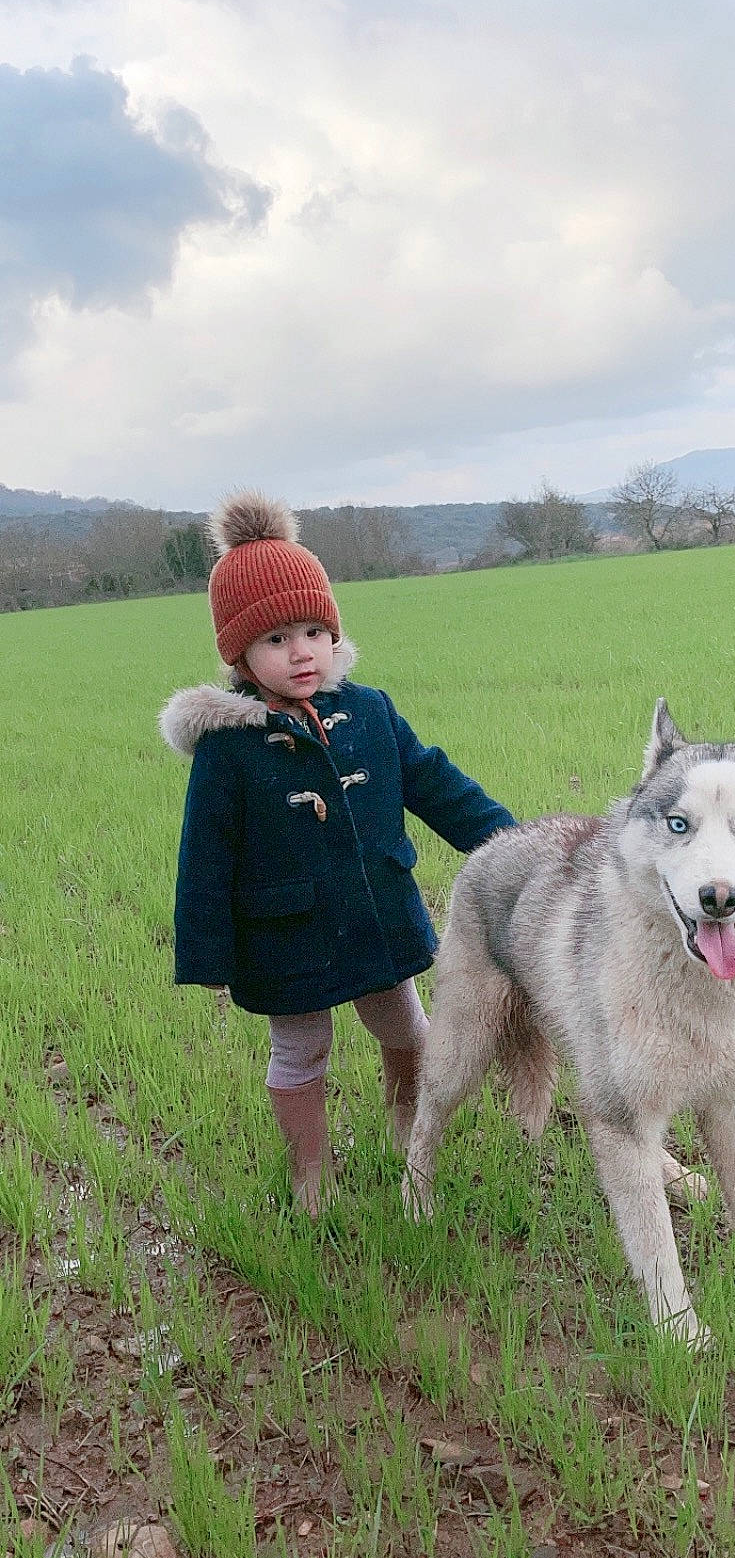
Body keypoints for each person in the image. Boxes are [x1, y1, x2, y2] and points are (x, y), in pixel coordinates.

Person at [160, 491, 514, 1215]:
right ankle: (310, 1176)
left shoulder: (371, 711)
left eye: (315, 631)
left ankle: (405, 1132)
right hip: (284, 934)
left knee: (404, 1027)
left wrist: (517, 847)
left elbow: (438, 786)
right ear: (239, 654)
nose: (301, 652)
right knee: (299, 1051)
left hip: (379, 912)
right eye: (277, 638)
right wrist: (206, 955)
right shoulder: (228, 750)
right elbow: (204, 857)